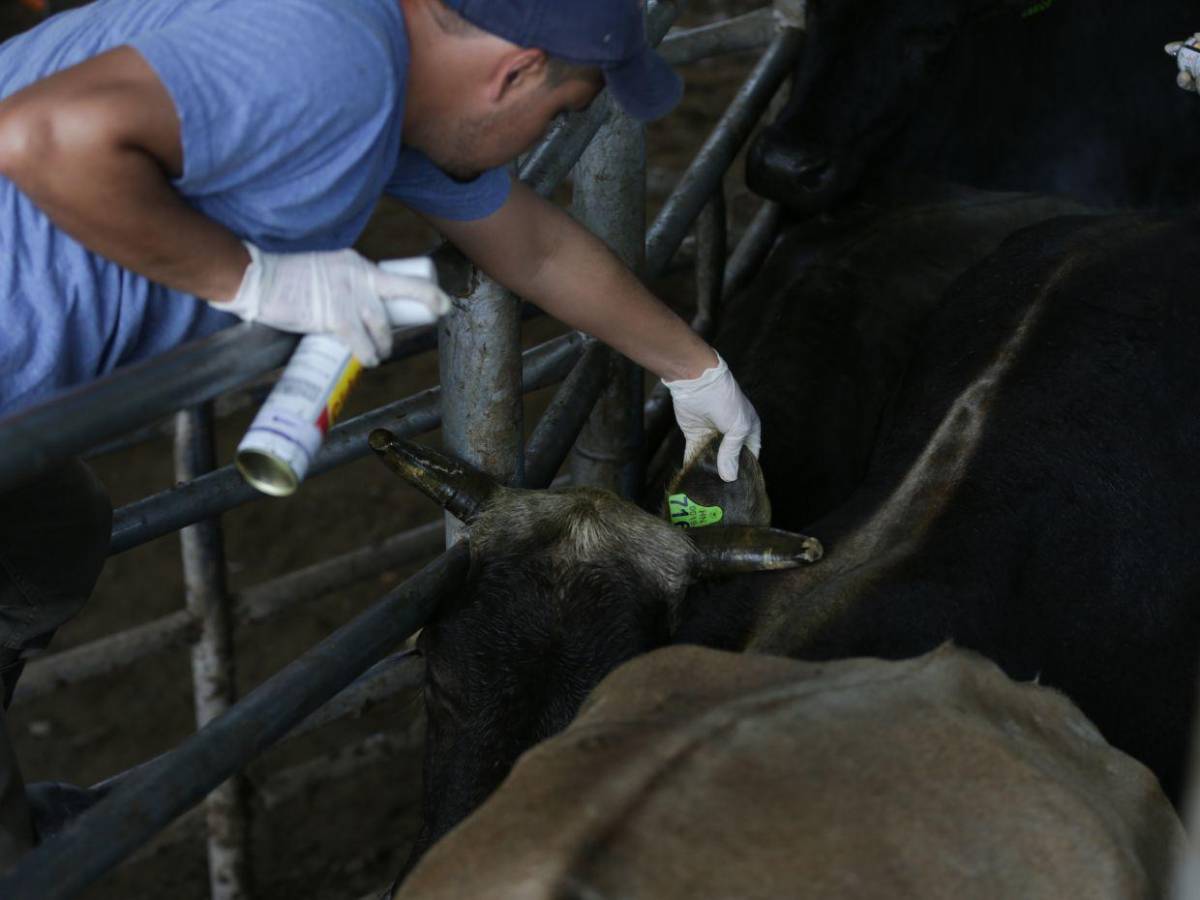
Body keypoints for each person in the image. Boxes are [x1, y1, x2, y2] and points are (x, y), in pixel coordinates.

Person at [0, 0, 762, 871]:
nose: (551, 128)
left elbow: (533, 246)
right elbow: (40, 138)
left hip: (20, 413)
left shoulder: (380, 78)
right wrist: (255, 281)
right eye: (561, 111)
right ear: (512, 72)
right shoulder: (335, 61)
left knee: (50, 541)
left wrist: (694, 369)